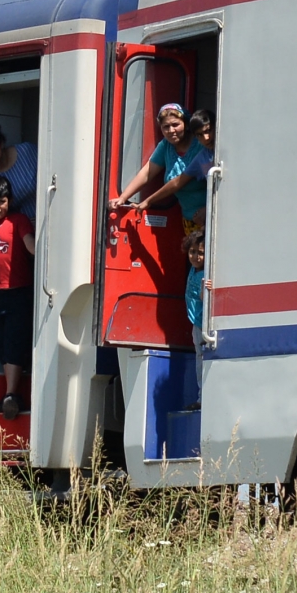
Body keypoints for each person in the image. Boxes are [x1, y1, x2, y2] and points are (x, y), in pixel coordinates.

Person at [0, 175, 35, 420]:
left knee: (14, 342)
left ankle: (11, 394)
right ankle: (9, 394)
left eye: (1, 202)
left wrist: (42, 248)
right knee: (0, 342)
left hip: (17, 291)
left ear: (9, 201)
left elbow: (29, 244)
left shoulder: (18, 220)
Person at [108, 103, 205, 234]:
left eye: (175, 125)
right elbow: (147, 173)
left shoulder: (201, 145)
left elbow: (178, 182)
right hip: (189, 220)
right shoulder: (166, 146)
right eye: (166, 127)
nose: (171, 131)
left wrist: (208, 209)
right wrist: (123, 197)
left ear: (186, 124)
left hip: (209, 216)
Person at [132, 109, 216, 225]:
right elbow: (177, 182)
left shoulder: (217, 151)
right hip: (195, 220)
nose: (206, 138)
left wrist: (209, 208)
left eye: (208, 131)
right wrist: (146, 201)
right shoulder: (202, 157)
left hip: (216, 214)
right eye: (200, 135)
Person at [182, 230, 212, 411]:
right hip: (196, 322)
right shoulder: (193, 269)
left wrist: (205, 287)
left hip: (203, 323)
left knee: (203, 359)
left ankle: (203, 397)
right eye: (192, 252)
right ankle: (201, 396)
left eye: (200, 253)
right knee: (199, 359)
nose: (195, 257)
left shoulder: (204, 274)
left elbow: (203, 297)